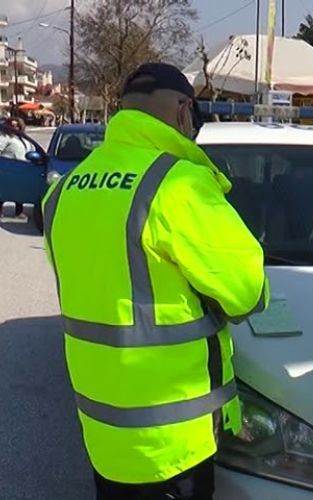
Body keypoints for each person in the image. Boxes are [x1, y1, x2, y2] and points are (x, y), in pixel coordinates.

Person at [42, 63, 269, 500]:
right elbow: (246, 293)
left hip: (104, 434)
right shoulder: (178, 184)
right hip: (173, 440)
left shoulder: (62, 192)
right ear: (183, 110)